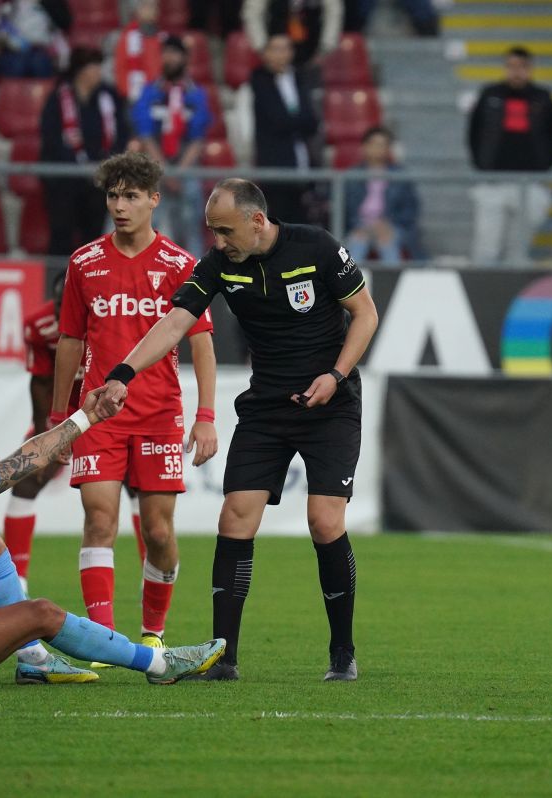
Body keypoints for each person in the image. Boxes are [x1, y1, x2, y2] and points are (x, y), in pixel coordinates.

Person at [96, 178, 379, 682]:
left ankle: (342, 651)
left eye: (225, 231)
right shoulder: (220, 264)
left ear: (256, 221)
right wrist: (121, 373)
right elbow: (173, 323)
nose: (219, 241)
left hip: (330, 406)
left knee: (324, 521)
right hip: (266, 408)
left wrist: (335, 376)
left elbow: (365, 314)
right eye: (212, 231)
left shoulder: (315, 246)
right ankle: (223, 658)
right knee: (235, 517)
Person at [0, 399, 227, 687]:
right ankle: (160, 664)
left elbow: (28, 458)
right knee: (42, 613)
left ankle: (33, 659)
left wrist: (85, 418)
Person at [52, 152, 217, 655]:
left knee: (159, 531)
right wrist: (60, 418)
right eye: (113, 196)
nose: (119, 206)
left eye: (130, 196)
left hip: (158, 413)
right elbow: (70, 342)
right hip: (98, 413)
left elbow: (201, 342)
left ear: (153, 200)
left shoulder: (179, 264)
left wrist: (206, 416)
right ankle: (105, 639)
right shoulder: (84, 262)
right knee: (99, 520)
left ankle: (153, 633)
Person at [3, 273, 150, 592]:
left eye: (67, 306)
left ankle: (148, 574)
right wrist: (49, 430)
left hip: (110, 411)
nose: (60, 314)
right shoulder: (39, 325)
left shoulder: (113, 317)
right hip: (66, 411)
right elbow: (40, 380)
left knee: (138, 486)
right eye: (58, 306)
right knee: (28, 480)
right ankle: (16, 580)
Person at [467, 45, 552, 266]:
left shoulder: (543, 98)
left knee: (520, 249)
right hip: (494, 181)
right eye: (511, 66)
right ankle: (481, 292)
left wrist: (545, 164)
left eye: (522, 66)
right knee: (486, 247)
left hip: (531, 181)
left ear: (530, 69)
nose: (516, 72)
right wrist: (481, 164)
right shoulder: (490, 94)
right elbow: (474, 131)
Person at [40, 47, 129, 257]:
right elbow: (51, 138)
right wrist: (77, 166)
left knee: (94, 239)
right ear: (80, 70)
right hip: (64, 181)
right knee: (61, 235)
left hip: (99, 182)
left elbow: (121, 134)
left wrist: (104, 165)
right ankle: (57, 285)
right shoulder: (58, 98)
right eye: (94, 67)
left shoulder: (109, 96)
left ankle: (90, 286)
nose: (99, 72)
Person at [132, 34, 212, 256]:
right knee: (151, 227)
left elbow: (198, 137)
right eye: (166, 53)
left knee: (191, 230)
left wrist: (180, 172)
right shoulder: (150, 92)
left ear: (185, 58)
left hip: (187, 170)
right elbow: (145, 133)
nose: (170, 58)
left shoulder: (196, 94)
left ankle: (195, 280)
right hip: (155, 171)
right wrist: (165, 171)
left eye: (175, 53)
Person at [248, 34, 321, 224]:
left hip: (303, 161)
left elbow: (312, 121)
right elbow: (275, 120)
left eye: (285, 49)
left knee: (303, 224)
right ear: (266, 54)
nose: (281, 55)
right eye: (276, 49)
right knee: (279, 222)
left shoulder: (300, 77)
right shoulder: (259, 79)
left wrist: (293, 120)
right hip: (275, 164)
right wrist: (298, 121)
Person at [343, 126, 423, 262]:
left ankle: (391, 282)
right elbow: (343, 211)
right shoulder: (351, 176)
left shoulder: (401, 176)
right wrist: (359, 226)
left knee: (387, 243)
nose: (378, 149)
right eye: (374, 144)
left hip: (391, 227)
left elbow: (410, 210)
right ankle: (352, 283)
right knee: (356, 244)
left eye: (383, 145)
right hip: (359, 226)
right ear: (364, 147)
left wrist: (390, 225)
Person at [243, 0, 344, 69]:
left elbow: (334, 12)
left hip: (311, 51)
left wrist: (325, 48)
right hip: (276, 51)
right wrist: (262, 47)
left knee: (308, 95)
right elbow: (252, 13)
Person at [114, 0, 163, 105]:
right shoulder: (127, 37)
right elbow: (120, 67)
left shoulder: (161, 37)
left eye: (154, 7)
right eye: (147, 6)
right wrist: (128, 93)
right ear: (137, 11)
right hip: (135, 96)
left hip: (158, 94)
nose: (151, 10)